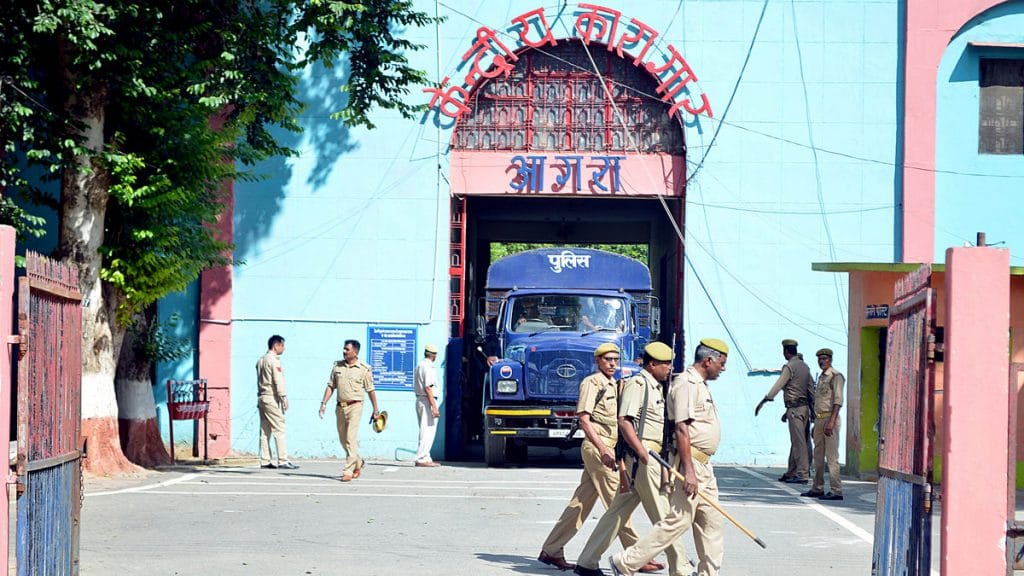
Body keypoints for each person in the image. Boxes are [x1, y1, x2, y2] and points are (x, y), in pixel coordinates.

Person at [609, 338, 729, 576]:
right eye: (722, 363)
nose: (723, 368)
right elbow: (681, 429)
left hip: (704, 465)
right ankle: (626, 561)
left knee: (712, 523)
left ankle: (709, 573)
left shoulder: (701, 385)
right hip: (691, 464)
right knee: (679, 521)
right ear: (709, 360)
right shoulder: (686, 383)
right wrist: (690, 471)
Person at [573, 342, 688, 576]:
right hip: (645, 458)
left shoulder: (655, 386)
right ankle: (682, 570)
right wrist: (643, 454)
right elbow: (624, 421)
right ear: (652, 364)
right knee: (667, 519)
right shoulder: (639, 383)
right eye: (665, 364)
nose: (669, 369)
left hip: (646, 458)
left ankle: (586, 562)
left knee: (616, 514)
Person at [538, 343, 647, 572]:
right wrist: (603, 449)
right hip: (599, 447)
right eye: (607, 359)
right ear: (597, 361)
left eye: (615, 360)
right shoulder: (592, 382)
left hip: (610, 446)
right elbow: (584, 420)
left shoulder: (616, 384)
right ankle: (637, 555)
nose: (612, 364)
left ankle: (551, 549)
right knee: (619, 501)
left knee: (581, 504)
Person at [319, 339, 381, 482]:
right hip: (340, 407)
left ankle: (348, 470)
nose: (344, 351)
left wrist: (376, 410)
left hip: (356, 406)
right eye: (344, 349)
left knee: (350, 438)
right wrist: (323, 403)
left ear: (355, 352)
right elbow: (330, 386)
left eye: (347, 349)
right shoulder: (337, 366)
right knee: (343, 440)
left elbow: (371, 390)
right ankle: (359, 462)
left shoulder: (364, 369)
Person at [754, 338, 813, 484]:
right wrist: (813, 410)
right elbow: (811, 390)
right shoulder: (805, 367)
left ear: (786, 351)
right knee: (800, 441)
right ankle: (792, 471)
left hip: (794, 409)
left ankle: (802, 474)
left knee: (798, 443)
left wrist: (766, 399)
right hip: (804, 408)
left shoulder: (789, 366)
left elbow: (779, 385)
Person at [801, 348, 846, 501]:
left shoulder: (836, 377)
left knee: (832, 457)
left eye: (825, 358)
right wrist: (816, 422)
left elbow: (838, 401)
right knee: (818, 456)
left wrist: (832, 421)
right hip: (819, 420)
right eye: (820, 359)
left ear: (830, 359)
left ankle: (836, 490)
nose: (822, 361)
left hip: (830, 419)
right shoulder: (821, 377)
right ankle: (817, 487)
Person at [256, 335, 298, 469]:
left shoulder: (261, 360)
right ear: (276, 345)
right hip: (271, 397)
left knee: (265, 430)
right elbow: (278, 380)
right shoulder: (273, 360)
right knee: (279, 428)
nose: (284, 348)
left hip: (262, 396)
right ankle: (283, 460)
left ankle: (265, 460)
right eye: (282, 345)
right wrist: (284, 397)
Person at [414, 343, 442, 467]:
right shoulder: (428, 367)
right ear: (433, 355)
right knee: (428, 430)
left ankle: (426, 456)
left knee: (424, 429)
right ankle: (421, 458)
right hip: (427, 400)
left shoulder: (420, 365)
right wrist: (434, 406)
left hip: (421, 399)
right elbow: (428, 388)